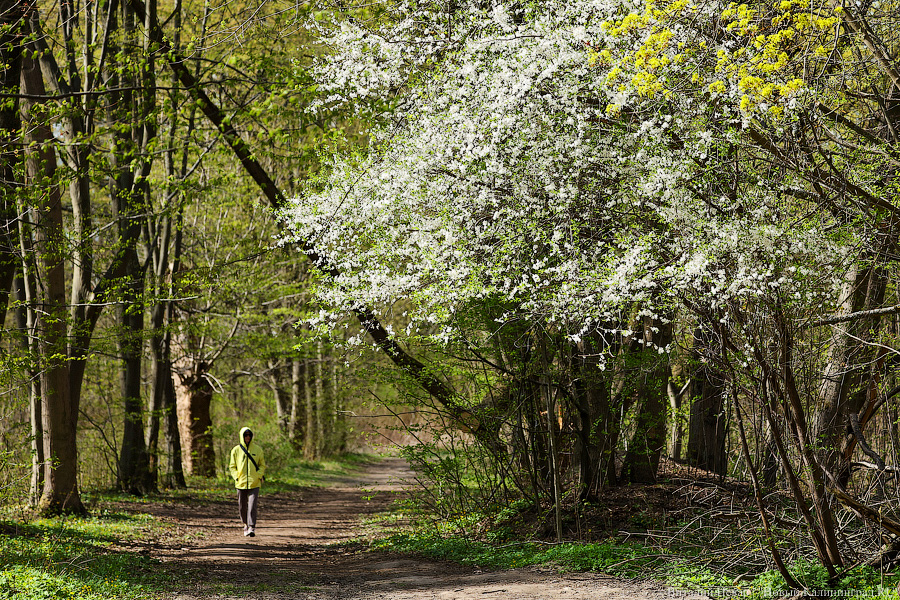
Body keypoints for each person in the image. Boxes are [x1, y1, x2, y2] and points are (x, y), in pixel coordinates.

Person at [229, 427, 266, 537]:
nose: (248, 437)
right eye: (246, 435)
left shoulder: (257, 450)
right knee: (242, 506)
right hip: (240, 483)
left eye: (249, 435)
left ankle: (252, 527)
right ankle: (245, 524)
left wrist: (258, 476)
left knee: (252, 505)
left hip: (254, 483)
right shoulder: (235, 450)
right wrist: (236, 477)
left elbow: (262, 465)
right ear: (242, 436)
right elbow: (232, 466)